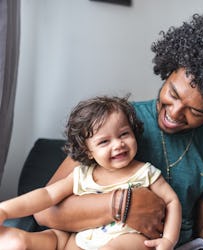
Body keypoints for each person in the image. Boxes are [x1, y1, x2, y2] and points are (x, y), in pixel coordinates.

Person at [31, 6, 203, 250]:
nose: (175, 113)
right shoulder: (116, 124)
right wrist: (122, 206)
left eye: (196, 111)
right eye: (172, 93)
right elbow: (44, 210)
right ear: (167, 72)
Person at [0, 95, 182, 250]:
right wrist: (6, 210)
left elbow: (172, 201)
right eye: (104, 142)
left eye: (124, 134)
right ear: (88, 151)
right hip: (82, 238)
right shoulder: (82, 174)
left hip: (126, 239)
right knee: (55, 239)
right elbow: (47, 195)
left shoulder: (145, 172)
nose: (118, 144)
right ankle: (22, 241)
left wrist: (168, 240)